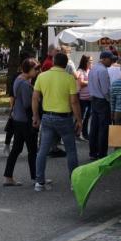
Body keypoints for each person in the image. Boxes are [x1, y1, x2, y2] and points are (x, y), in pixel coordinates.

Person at [32, 53, 82, 191]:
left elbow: (35, 97)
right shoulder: (69, 78)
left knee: (42, 150)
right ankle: (74, 182)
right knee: (71, 150)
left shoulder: (42, 76)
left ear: (53, 62)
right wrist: (79, 119)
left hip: (47, 117)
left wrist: (35, 116)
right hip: (64, 118)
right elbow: (74, 101)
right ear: (66, 64)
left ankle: (39, 182)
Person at [3, 58, 39, 186]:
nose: (37, 71)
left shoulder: (18, 79)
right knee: (33, 150)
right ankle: (36, 177)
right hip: (25, 120)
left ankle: (8, 176)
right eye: (35, 69)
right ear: (29, 69)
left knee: (16, 149)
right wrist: (36, 98)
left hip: (17, 119)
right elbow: (27, 104)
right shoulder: (24, 84)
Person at [88, 51, 114, 160]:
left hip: (94, 99)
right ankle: (102, 153)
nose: (112, 61)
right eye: (110, 59)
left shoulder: (93, 68)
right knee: (103, 128)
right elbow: (105, 90)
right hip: (102, 101)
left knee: (94, 127)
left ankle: (93, 152)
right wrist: (110, 101)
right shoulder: (103, 70)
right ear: (104, 59)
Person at [75, 55, 92, 141]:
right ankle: (78, 133)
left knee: (86, 117)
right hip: (82, 99)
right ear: (85, 62)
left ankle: (84, 133)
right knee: (82, 117)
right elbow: (81, 83)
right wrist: (91, 81)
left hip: (90, 99)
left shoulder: (90, 70)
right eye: (90, 61)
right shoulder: (80, 71)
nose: (91, 63)